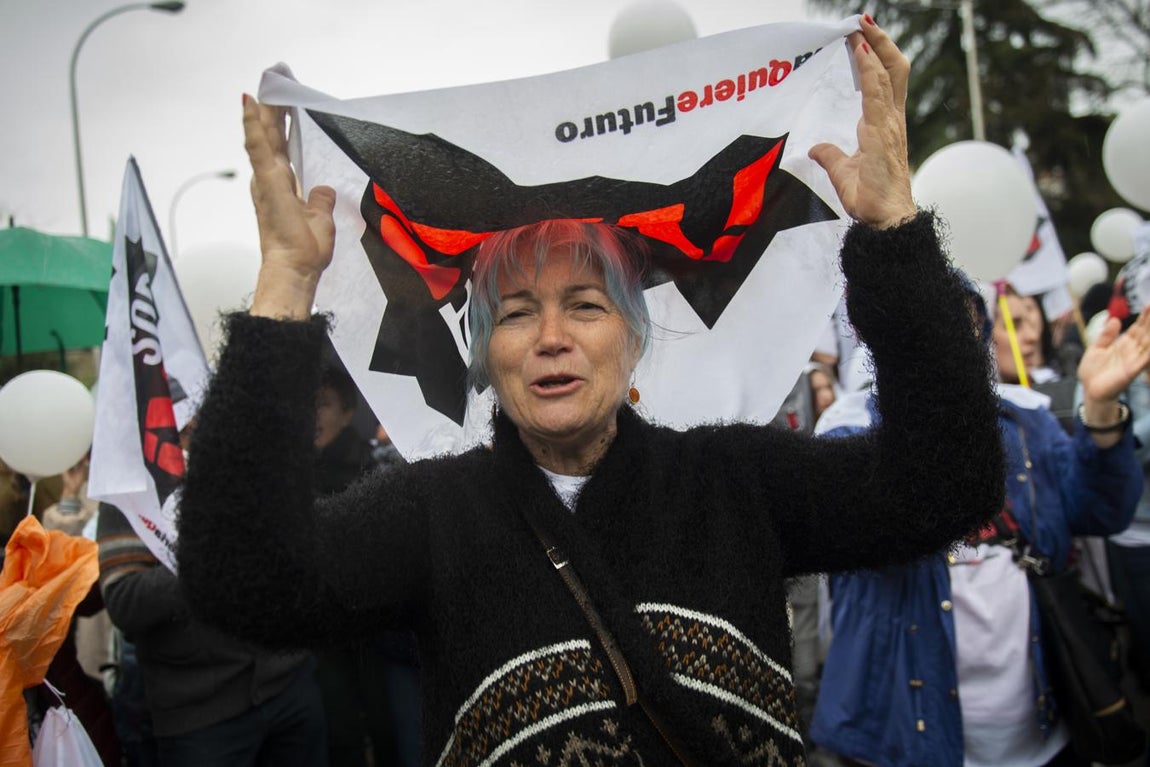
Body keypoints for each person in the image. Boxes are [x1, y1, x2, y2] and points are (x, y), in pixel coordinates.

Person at [177, 20, 1005, 765]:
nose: (551, 336)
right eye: (516, 313)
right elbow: (243, 578)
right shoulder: (431, 516)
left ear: (634, 336)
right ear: (485, 353)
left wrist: (895, 235)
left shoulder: (733, 482)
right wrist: (286, 281)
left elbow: (945, 483)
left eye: (585, 304)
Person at [809, 283, 1147, 767]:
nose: (946, 341)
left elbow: (1103, 512)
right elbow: (858, 533)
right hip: (909, 740)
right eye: (922, 325)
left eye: (962, 326)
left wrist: (1099, 410)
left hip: (1045, 737)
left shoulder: (1028, 425)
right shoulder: (847, 438)